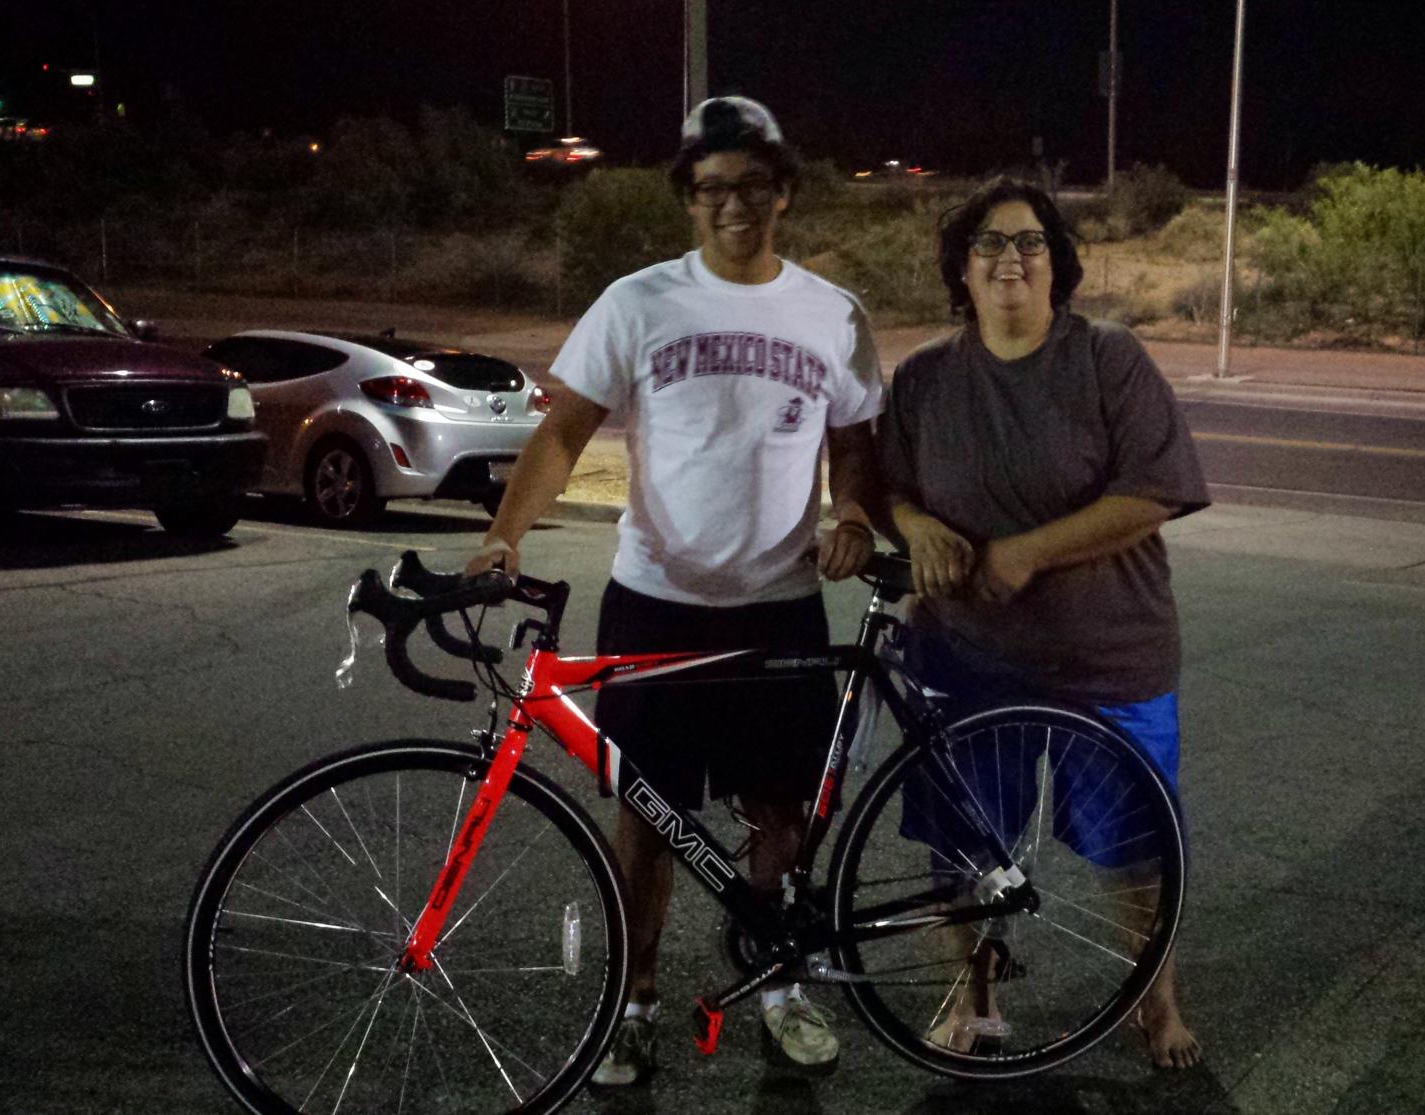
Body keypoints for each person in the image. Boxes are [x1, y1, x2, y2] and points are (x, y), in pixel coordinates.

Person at [467, 95, 883, 1084]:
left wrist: (856, 517)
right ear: (688, 201)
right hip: (653, 600)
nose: (731, 205)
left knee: (783, 811)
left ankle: (781, 986)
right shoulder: (637, 301)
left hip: (779, 602)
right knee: (648, 820)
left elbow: (856, 444)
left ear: (781, 191)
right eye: (710, 189)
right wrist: (502, 533)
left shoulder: (833, 313)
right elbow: (562, 432)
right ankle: (635, 1001)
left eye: (750, 185)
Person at [876, 178, 1208, 1069]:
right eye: (987, 243)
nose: (1008, 259)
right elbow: (891, 491)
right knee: (964, 842)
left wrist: (1026, 552)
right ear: (960, 268)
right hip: (966, 652)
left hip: (1106, 653)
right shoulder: (925, 378)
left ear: (1058, 262)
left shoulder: (1107, 358)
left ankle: (1157, 1001)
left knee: (1133, 844)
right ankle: (971, 996)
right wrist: (913, 526)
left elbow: (1153, 493)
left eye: (1028, 242)